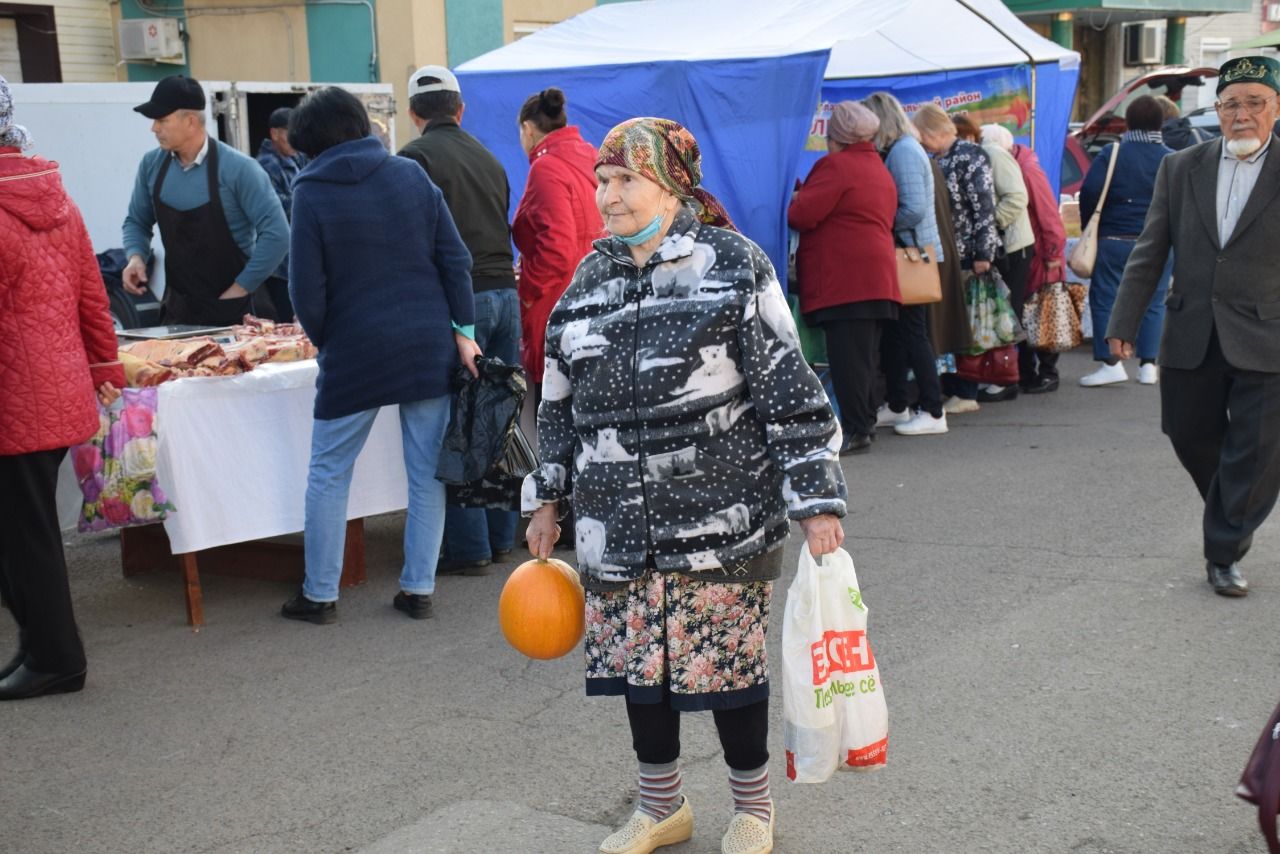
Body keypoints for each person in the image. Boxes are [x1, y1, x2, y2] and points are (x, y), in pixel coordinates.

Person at [523, 117, 847, 854]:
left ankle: (753, 808)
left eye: (623, 180)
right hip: (617, 525)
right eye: (601, 180)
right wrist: (548, 499)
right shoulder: (590, 276)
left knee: (728, 668)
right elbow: (558, 401)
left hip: (717, 518)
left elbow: (789, 393)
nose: (606, 195)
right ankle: (661, 806)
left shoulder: (734, 265)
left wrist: (816, 499)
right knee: (642, 673)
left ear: (669, 186)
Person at [278, 87, 480, 624]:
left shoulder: (312, 192)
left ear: (312, 144)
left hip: (354, 349)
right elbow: (454, 261)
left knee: (328, 472)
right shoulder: (409, 175)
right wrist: (461, 328)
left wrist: (328, 341)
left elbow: (305, 291)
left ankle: (319, 595)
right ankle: (418, 588)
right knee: (425, 474)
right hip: (425, 345)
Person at [1107, 56, 1280, 598]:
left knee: (1255, 450)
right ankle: (1231, 511)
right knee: (1186, 433)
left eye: (1255, 102)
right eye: (1231, 103)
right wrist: (1125, 318)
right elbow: (1150, 249)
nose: (1242, 114)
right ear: (1218, 111)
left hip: (1268, 335)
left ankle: (1223, 550)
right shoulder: (1180, 167)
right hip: (1191, 331)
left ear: (1276, 108)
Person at [0, 75, 125, 699]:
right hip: (54, 390)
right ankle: (41, 646)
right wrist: (105, 369)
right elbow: (90, 298)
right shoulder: (57, 198)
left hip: (14, 400)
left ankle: (56, 657)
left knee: (26, 538)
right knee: (26, 533)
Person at [398, 64, 518, 575]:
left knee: (458, 424)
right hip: (504, 297)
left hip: (457, 302)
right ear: (460, 109)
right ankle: (502, 535)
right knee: (495, 417)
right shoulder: (490, 158)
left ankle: (469, 549)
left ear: (412, 113)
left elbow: (412, 243)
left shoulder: (411, 160)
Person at [122, 75, 289, 326]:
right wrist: (135, 257)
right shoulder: (151, 165)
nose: (154, 128)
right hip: (179, 312)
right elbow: (137, 220)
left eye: (162, 120)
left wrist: (242, 287)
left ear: (190, 121)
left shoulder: (239, 169)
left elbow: (277, 234)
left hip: (237, 314)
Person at [789, 101, 901, 454]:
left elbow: (802, 215)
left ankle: (855, 430)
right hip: (877, 276)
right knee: (865, 357)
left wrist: (794, 195)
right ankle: (863, 422)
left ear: (835, 136)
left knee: (847, 359)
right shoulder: (877, 167)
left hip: (845, 279)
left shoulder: (836, 167)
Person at [862, 92, 948, 437]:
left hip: (912, 255)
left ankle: (933, 409)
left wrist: (878, 221)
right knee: (899, 335)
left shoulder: (903, 152)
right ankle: (899, 404)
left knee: (913, 335)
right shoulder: (906, 149)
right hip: (910, 254)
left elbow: (913, 209)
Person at [512, 87, 602, 401]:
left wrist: (527, 289)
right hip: (595, 298)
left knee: (551, 420)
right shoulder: (592, 157)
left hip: (556, 302)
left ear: (528, 129)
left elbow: (558, 249)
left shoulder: (545, 168)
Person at [1080, 95, 1173, 388]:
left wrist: (1090, 228)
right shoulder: (1171, 157)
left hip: (1114, 239)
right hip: (1158, 242)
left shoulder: (1113, 153)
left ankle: (1111, 363)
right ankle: (1149, 365)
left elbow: (1090, 192)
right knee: (1155, 301)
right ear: (1161, 122)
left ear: (1128, 122)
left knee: (1106, 297)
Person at [913, 103, 1000, 414]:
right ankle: (956, 387)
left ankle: (967, 389)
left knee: (968, 322)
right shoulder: (939, 157)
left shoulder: (971, 155)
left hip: (967, 254)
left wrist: (983, 254)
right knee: (953, 321)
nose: (920, 140)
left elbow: (984, 208)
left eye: (922, 134)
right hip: (949, 252)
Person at [982, 123, 1068, 394]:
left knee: (1041, 312)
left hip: (1040, 253)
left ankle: (1047, 373)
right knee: (1028, 312)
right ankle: (1028, 372)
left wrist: (1054, 253)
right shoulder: (1021, 163)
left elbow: (1048, 213)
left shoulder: (1026, 169)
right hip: (1036, 251)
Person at [976, 123, 1032, 403]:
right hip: (1008, 243)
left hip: (1011, 245)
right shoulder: (992, 153)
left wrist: (989, 222)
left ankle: (1007, 376)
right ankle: (1003, 374)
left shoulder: (993, 154)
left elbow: (1018, 197)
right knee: (1003, 310)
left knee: (1006, 311)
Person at [255, 106, 308, 321]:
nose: (296, 137)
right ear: (275, 134)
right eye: (289, 131)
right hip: (279, 265)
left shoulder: (297, 159)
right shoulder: (266, 165)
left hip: (294, 260)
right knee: (285, 324)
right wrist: (308, 199)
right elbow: (276, 209)